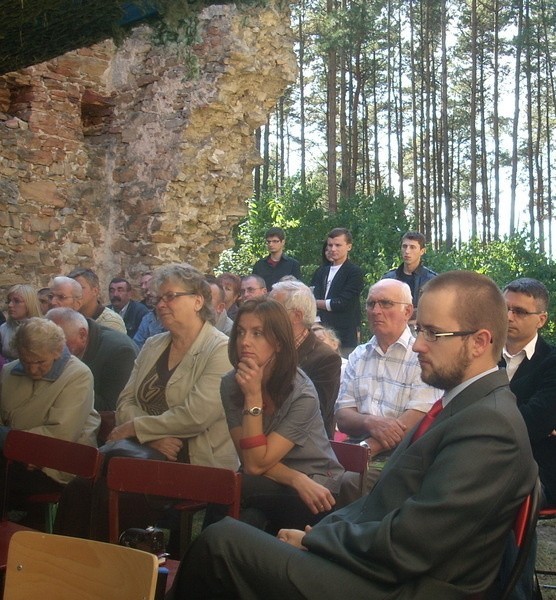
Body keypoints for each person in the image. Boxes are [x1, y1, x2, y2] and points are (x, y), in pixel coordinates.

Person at [168, 270, 537, 600]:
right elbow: (380, 504)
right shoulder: (464, 407)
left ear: (479, 342)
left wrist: (317, 541)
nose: (419, 344)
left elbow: (413, 544)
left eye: (432, 333)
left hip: (402, 586)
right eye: (419, 330)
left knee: (222, 544)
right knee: (237, 537)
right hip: (379, 570)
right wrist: (323, 532)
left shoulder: (490, 426)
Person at [54, 265, 238, 540]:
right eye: (158, 298)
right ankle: (60, 565)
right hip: (142, 450)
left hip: (193, 459)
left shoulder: (221, 349)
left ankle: (110, 570)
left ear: (198, 301)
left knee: (111, 494)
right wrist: (149, 437)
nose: (161, 304)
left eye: (170, 297)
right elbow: (125, 401)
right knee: (79, 488)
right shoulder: (154, 345)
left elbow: (195, 416)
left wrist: (134, 429)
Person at [213, 297, 343, 534]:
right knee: (248, 517)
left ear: (279, 343)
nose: (245, 342)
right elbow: (249, 457)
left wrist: (252, 398)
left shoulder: (302, 394)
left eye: (257, 333)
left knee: (235, 488)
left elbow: (253, 465)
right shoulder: (231, 384)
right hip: (279, 481)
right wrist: (294, 478)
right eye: (241, 332)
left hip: (316, 487)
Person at [335, 279, 441, 504]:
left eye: (385, 303)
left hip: (403, 455)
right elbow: (343, 416)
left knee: (350, 482)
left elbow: (417, 417)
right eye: (371, 304)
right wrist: (370, 423)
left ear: (407, 311)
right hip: (356, 447)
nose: (376, 311)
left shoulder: (421, 356)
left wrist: (366, 449)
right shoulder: (358, 355)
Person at [0, 318, 99, 524]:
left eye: (40, 363)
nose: (33, 370)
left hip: (56, 465)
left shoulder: (78, 375)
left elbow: (61, 434)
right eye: (26, 362)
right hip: (15, 459)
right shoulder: (9, 372)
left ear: (57, 351)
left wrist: (12, 445)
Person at [501, 277, 556, 507]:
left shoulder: (551, 362)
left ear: (541, 320)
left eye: (520, 312)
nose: (509, 317)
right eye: (505, 308)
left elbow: (535, 421)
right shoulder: (479, 353)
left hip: (533, 470)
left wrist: (477, 421)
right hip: (477, 461)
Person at [269, 280, 342, 438]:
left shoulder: (326, 359)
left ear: (296, 316)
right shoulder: (267, 347)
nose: (265, 315)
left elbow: (313, 416)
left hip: (302, 452)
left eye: (273, 309)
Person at [46, 308, 138, 412]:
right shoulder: (78, 337)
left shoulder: (120, 352)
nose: (53, 351)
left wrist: (71, 384)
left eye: (60, 342)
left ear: (82, 335)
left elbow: (111, 408)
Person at [310, 227, 364, 353]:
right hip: (321, 336)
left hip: (344, 336)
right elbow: (311, 297)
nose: (333, 249)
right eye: (330, 245)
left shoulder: (354, 272)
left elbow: (343, 303)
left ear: (349, 246)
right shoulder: (321, 272)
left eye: (338, 245)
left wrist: (317, 303)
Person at [382, 230, 436, 319]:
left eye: (412, 247)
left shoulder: (431, 280)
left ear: (422, 251)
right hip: (393, 328)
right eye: (404, 246)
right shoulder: (388, 279)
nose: (407, 251)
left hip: (420, 329)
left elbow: (433, 310)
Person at [67, 268, 126, 333]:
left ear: (95, 291)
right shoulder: (68, 317)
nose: (73, 293)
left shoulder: (111, 322)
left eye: (79, 288)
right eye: (71, 289)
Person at [0, 284, 43, 360]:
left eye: (17, 301)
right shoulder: (3, 329)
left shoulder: (43, 328)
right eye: (9, 301)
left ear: (29, 304)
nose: (10, 305)